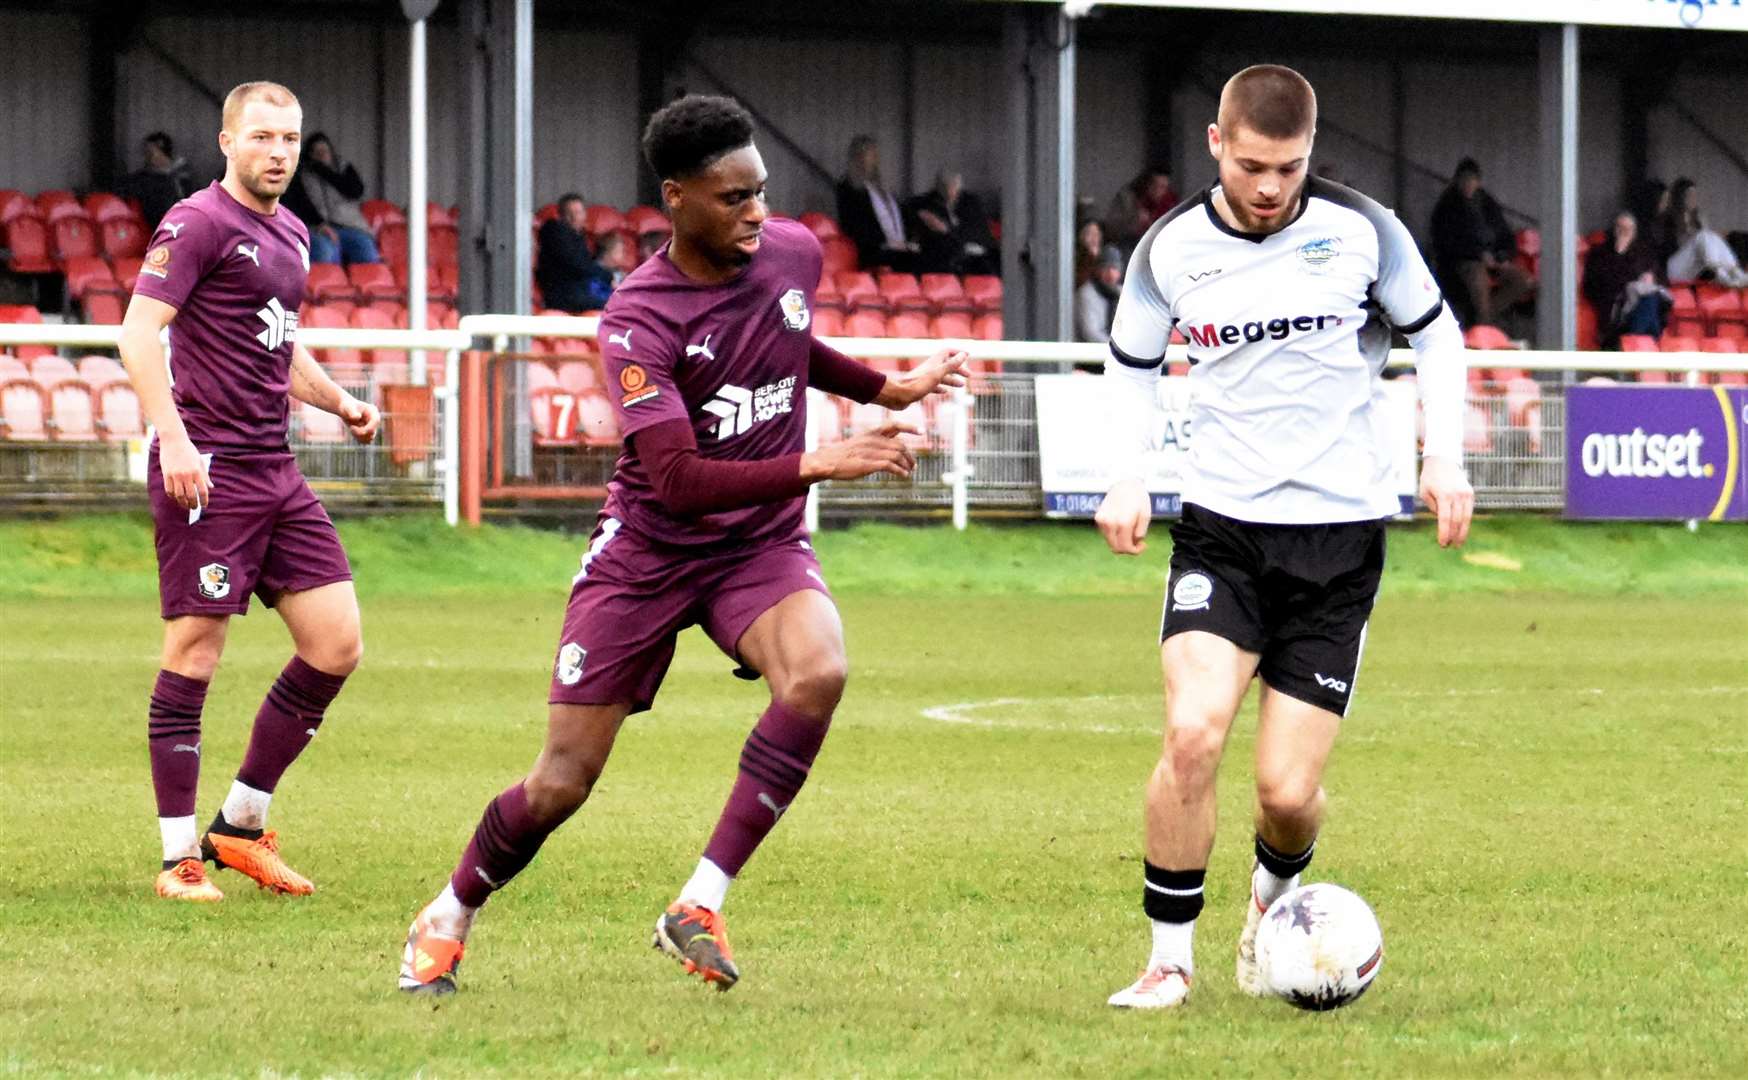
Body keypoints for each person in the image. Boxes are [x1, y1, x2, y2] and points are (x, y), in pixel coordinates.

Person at [397, 94, 968, 996]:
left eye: (762, 193)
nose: (758, 214)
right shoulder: (637, 319)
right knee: (561, 782)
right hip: (650, 551)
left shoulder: (791, 253)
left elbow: (788, 338)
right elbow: (677, 479)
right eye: (734, 198)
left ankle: (698, 902)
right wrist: (822, 459)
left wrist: (885, 390)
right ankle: (450, 910)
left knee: (818, 673)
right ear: (677, 198)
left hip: (757, 546)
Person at [1093, 64, 1473, 1010]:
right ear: (1218, 144)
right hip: (1222, 534)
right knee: (1190, 737)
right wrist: (1128, 472)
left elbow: (1438, 335)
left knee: (1287, 797)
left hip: (1340, 544)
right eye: (1254, 165)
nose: (1270, 188)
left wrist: (1446, 457)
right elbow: (1131, 364)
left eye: (1289, 167)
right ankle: (1167, 960)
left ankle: (1271, 906)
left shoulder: (1361, 230)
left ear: (1310, 152)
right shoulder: (1169, 250)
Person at [117, 81, 382, 904]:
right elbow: (137, 333)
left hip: (276, 468)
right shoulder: (195, 222)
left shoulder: (296, 231)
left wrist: (337, 400)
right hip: (211, 467)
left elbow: (278, 344)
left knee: (336, 643)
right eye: (262, 136)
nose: (278, 151)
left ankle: (236, 827)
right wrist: (177, 440)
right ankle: (176, 860)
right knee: (195, 654)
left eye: (291, 139)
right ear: (228, 141)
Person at [1429, 157, 1533, 329]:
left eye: (1472, 179)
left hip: (1494, 262)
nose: (1468, 184)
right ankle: (1484, 328)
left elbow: (1505, 234)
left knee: (1523, 280)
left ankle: (1483, 320)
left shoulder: (1487, 202)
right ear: (1457, 181)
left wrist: (1502, 256)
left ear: (1478, 181)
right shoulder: (1447, 206)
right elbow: (1445, 242)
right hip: (1461, 264)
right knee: (1479, 282)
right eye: (1464, 179)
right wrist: (1477, 255)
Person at [282, 132, 380, 266]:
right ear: (309, 155)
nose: (321, 155)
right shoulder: (302, 174)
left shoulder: (343, 167)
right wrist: (320, 224)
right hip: (319, 228)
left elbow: (356, 192)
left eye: (325, 151)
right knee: (325, 251)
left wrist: (324, 171)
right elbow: (301, 203)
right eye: (317, 152)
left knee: (366, 251)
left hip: (351, 226)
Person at [1583, 211, 1671, 348]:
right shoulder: (1599, 253)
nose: (1624, 232)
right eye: (1620, 228)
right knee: (1650, 304)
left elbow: (1662, 279)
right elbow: (1593, 285)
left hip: (1641, 303)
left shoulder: (1644, 253)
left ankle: (1631, 343)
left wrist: (1651, 279)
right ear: (1614, 229)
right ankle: (1643, 345)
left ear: (1634, 232)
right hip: (1615, 305)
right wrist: (1619, 254)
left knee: (1650, 298)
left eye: (1628, 229)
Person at [834, 135, 921, 272]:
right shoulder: (848, 189)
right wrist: (884, 244)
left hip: (899, 247)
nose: (872, 162)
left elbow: (905, 216)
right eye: (867, 156)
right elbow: (853, 226)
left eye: (874, 156)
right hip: (874, 250)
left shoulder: (884, 189)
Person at [907, 169, 999, 276]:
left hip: (975, 255)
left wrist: (947, 229)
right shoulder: (924, 203)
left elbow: (977, 231)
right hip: (943, 256)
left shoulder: (971, 203)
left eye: (954, 186)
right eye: (946, 187)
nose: (951, 192)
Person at [1661, 177, 1748, 286]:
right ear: (1680, 197)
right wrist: (1689, 233)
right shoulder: (1669, 218)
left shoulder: (1699, 219)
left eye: (1695, 195)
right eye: (1689, 195)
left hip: (1693, 270)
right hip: (1673, 268)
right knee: (1703, 235)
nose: (1694, 199)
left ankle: (1735, 273)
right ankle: (1722, 275)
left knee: (1712, 236)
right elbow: (1669, 246)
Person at [536, 193, 615, 312]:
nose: (574, 218)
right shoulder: (556, 231)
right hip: (563, 295)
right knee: (614, 304)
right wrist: (608, 277)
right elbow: (577, 264)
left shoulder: (578, 236)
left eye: (578, 213)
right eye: (569, 213)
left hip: (579, 291)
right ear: (560, 215)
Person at [117, 132, 196, 229]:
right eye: (146, 153)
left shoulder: (183, 177)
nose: (148, 157)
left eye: (151, 152)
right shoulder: (140, 179)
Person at [1103, 168, 1178, 257]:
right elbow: (1112, 228)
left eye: (1164, 187)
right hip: (1128, 243)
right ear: (1147, 185)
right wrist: (1135, 221)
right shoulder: (1127, 198)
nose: (1160, 191)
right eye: (1156, 186)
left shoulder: (1171, 202)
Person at [1074, 243, 1123, 344]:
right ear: (1097, 270)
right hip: (1090, 354)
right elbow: (1090, 333)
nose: (1110, 274)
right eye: (1106, 268)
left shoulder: (1123, 293)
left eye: (1114, 268)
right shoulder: (1086, 294)